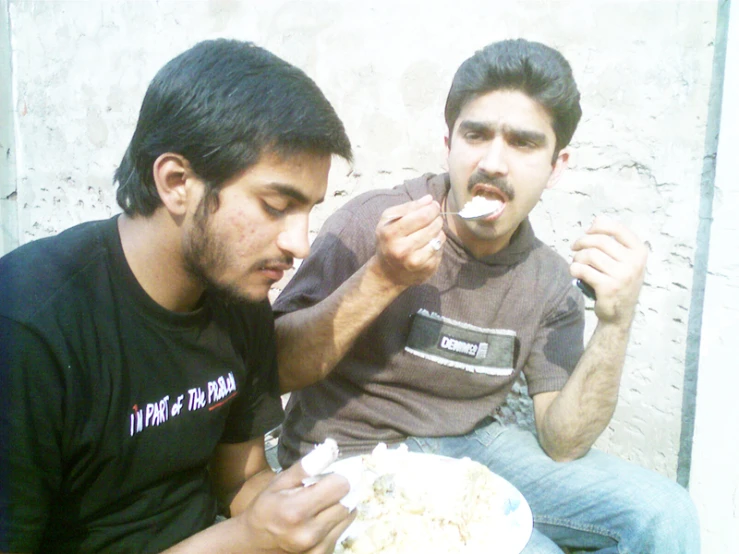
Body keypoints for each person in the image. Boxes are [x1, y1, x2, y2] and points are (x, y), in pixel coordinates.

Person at [272, 39, 700, 553]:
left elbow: (563, 442)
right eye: (476, 135)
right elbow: (271, 368)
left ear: (556, 165)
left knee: (667, 515)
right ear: (449, 142)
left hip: (476, 445)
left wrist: (617, 323)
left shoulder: (548, 280)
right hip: (355, 450)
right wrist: (383, 276)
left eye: (522, 143)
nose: (493, 162)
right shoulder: (373, 223)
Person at [0, 39, 356, 553]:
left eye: (309, 211)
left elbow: (240, 478)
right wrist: (246, 539)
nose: (299, 244)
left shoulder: (239, 294)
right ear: (176, 181)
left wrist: (300, 518)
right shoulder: (27, 330)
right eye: (277, 205)